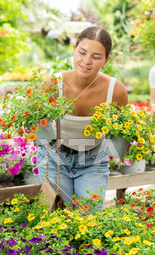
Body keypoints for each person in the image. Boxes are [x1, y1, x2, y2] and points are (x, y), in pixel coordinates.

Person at [36, 26, 128, 208]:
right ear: (74, 50)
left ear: (106, 60)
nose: (86, 61)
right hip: (55, 159)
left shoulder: (115, 91)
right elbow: (36, 124)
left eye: (96, 57)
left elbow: (123, 131)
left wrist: (125, 143)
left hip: (93, 161)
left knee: (89, 219)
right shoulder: (53, 84)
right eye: (82, 52)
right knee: (59, 220)